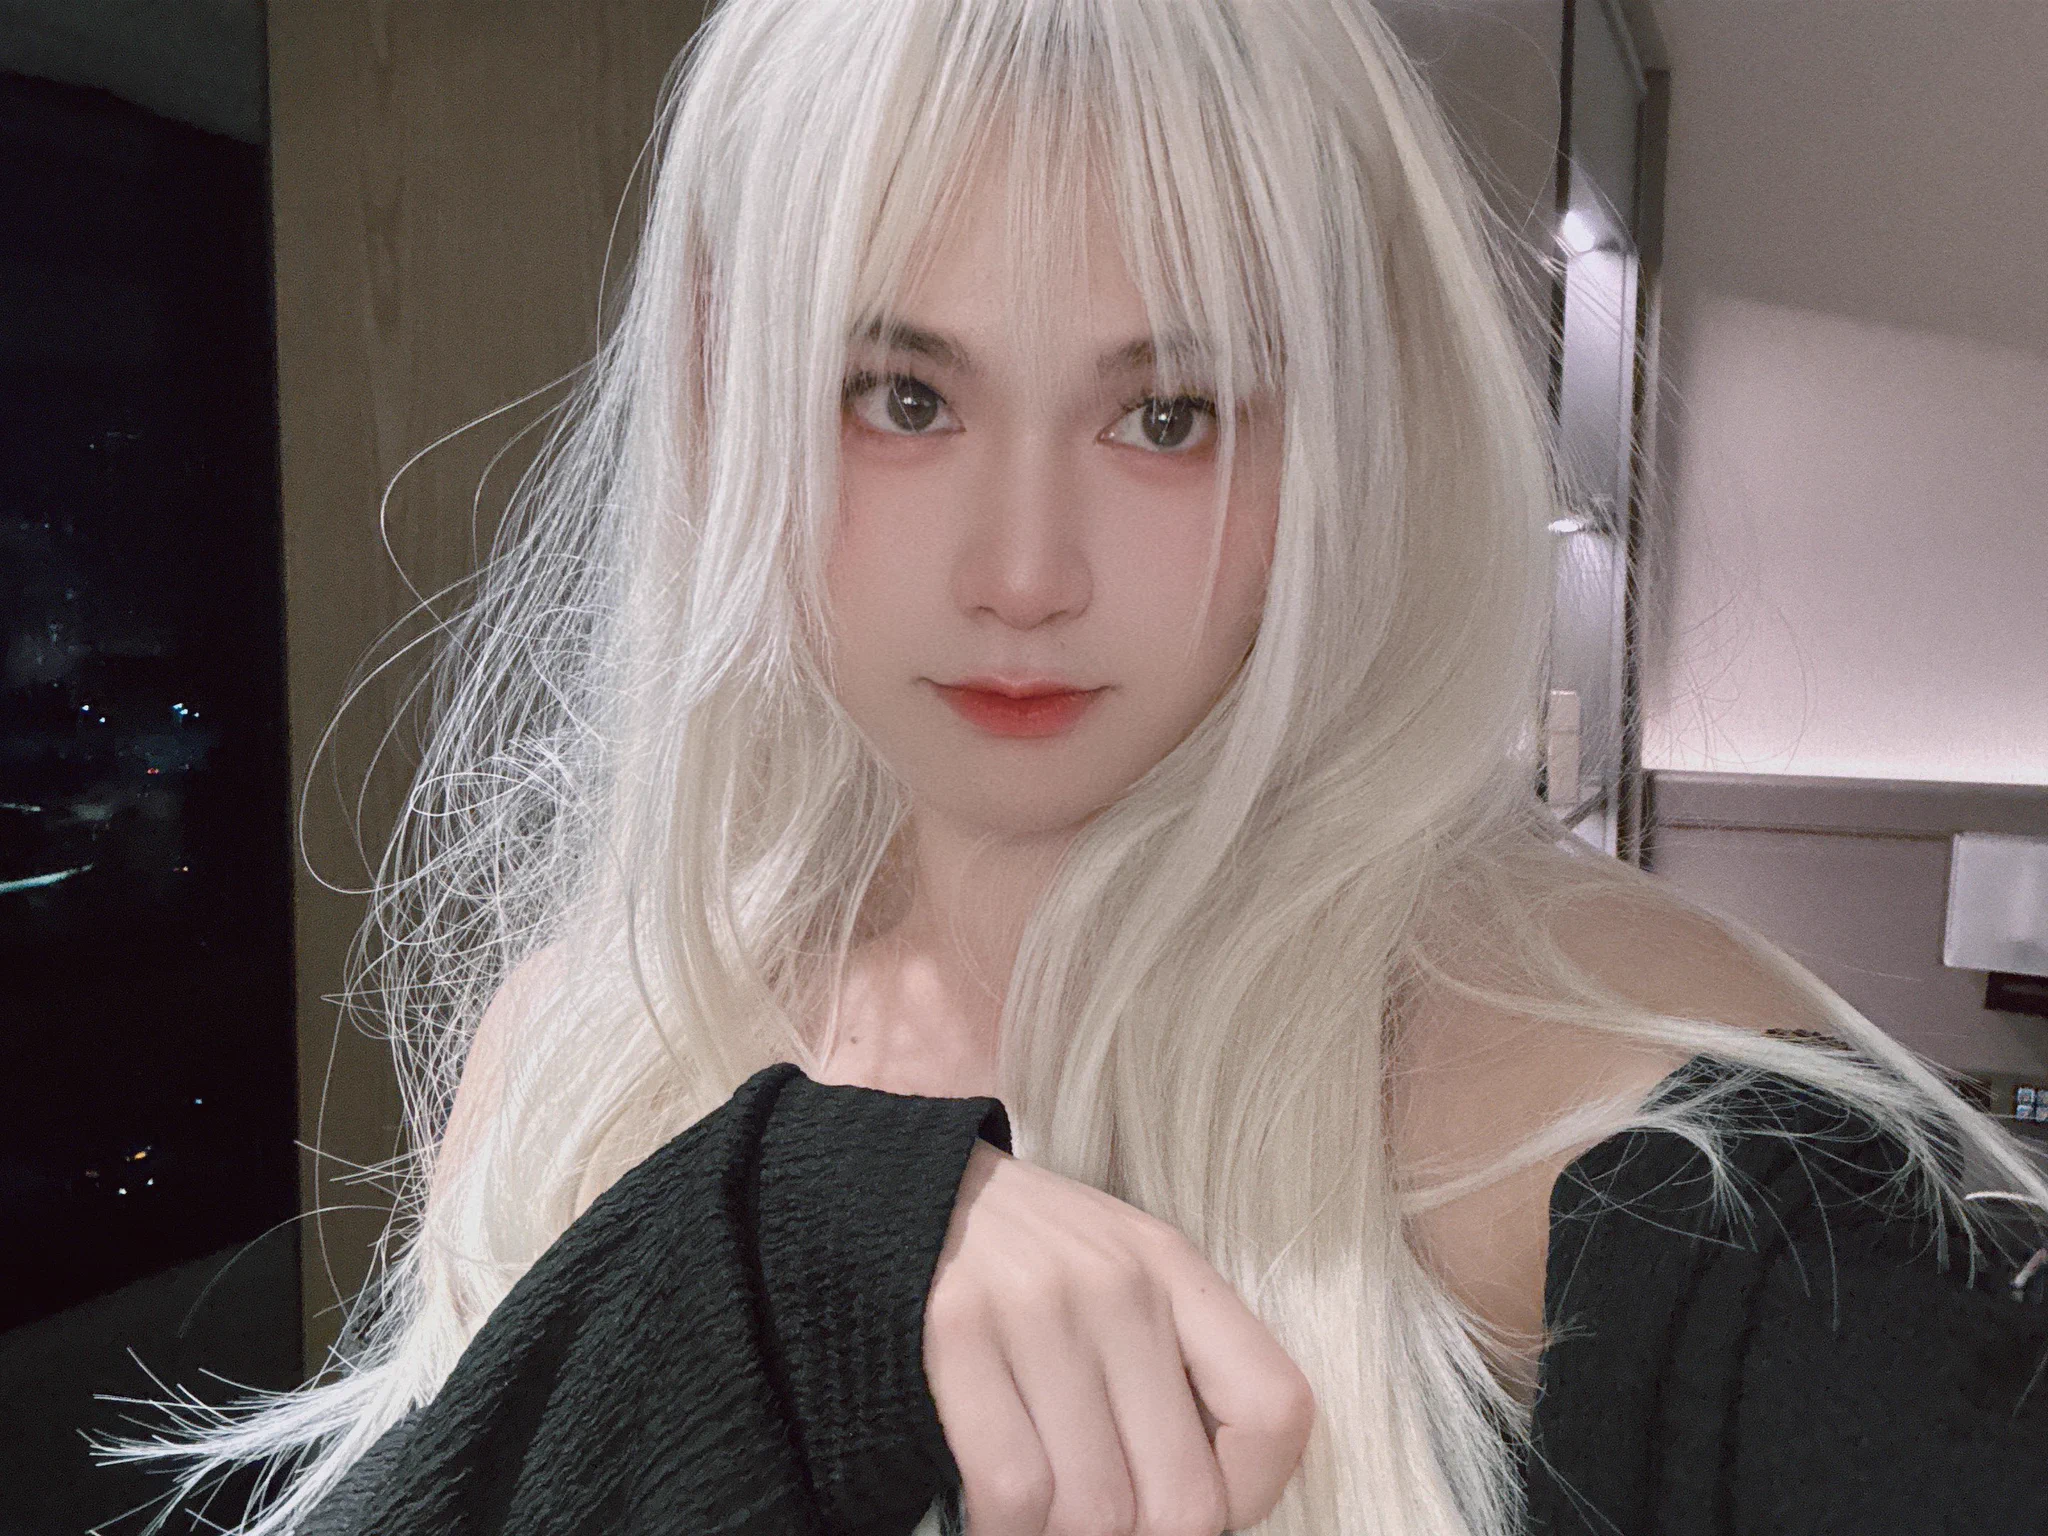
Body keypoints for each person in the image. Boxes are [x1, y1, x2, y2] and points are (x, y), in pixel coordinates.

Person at [100, 1, 2048, 1532]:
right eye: (904, 396)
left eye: (1166, 413)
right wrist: (769, 1254)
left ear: (1338, 432)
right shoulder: (574, 1057)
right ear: (719, 388)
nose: (1021, 574)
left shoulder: (1618, 1116)